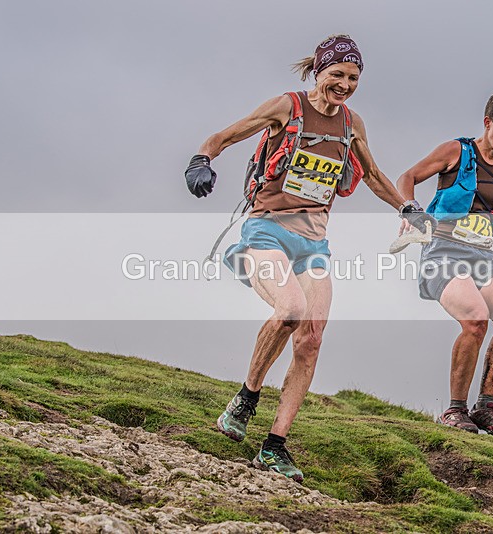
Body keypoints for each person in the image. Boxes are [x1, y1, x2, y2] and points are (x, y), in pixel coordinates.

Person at [184, 35, 435, 483]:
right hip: (266, 231)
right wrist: (202, 158)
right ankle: (245, 399)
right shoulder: (288, 106)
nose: (344, 84)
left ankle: (274, 446)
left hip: (314, 244)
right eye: (336, 74)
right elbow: (227, 134)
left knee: (312, 339)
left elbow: (373, 175)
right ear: (319, 72)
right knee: (291, 310)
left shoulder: (353, 122)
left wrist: (407, 209)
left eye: (353, 78)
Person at [396, 90, 493, 437]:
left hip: (482, 254)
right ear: (488, 123)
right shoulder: (458, 151)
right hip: (442, 249)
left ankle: (485, 406)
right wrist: (411, 209)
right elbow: (407, 177)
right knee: (474, 319)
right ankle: (455, 410)